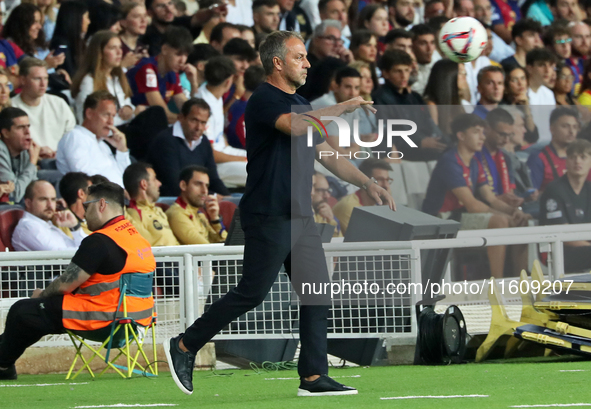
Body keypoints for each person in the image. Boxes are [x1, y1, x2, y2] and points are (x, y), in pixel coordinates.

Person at [162, 30, 394, 397]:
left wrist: (367, 182)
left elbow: (327, 154)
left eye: (305, 57)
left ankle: (314, 377)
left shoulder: (301, 101)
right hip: (269, 213)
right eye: (300, 57)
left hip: (301, 216)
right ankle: (185, 345)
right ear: (277, 63)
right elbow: (296, 126)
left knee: (316, 292)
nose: (307, 63)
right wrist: (340, 107)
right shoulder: (264, 100)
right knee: (251, 293)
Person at [0, 181, 155, 380]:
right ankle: (4, 363)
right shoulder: (137, 239)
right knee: (36, 313)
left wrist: (41, 295)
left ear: (101, 205)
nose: (83, 214)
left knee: (23, 310)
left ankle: (4, 363)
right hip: (138, 321)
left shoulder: (99, 240)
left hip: (105, 318)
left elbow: (66, 283)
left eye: (86, 206)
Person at [422, 113, 530, 278]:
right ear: (461, 135)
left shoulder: (474, 162)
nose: (482, 137)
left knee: (521, 221)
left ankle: (521, 280)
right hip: (442, 220)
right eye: (476, 132)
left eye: (482, 132)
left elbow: (491, 198)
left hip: (459, 216)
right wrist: (505, 216)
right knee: (499, 221)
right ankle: (498, 283)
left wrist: (514, 212)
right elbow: (472, 205)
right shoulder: (450, 161)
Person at [373, 49, 448, 161]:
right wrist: (420, 142)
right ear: (385, 73)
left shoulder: (415, 97)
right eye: (398, 71)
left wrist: (445, 141)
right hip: (403, 155)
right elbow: (387, 134)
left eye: (407, 70)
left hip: (427, 150)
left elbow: (430, 124)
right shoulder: (379, 98)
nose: (403, 76)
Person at [148, 98, 230, 196]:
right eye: (194, 120)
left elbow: (213, 178)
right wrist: (213, 196)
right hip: (171, 202)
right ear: (181, 118)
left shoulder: (204, 142)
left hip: (199, 199)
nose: (198, 128)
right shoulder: (165, 141)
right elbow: (174, 185)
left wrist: (227, 198)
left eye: (203, 123)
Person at [56, 91, 131, 188]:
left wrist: (122, 150)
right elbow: (86, 179)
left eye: (113, 116)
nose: (111, 122)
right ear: (89, 113)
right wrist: (121, 192)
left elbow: (128, 178)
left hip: (120, 198)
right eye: (106, 115)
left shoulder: (103, 145)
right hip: (102, 199)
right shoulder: (75, 136)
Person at [127, 26, 198, 125]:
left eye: (186, 55)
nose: (183, 60)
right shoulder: (147, 69)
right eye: (178, 54)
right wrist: (192, 122)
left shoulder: (173, 73)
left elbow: (188, 109)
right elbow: (163, 114)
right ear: (164, 49)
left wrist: (193, 83)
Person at [195, 55, 247, 187]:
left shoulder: (213, 95)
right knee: (261, 170)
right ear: (228, 81)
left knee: (267, 159)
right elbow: (211, 154)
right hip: (212, 166)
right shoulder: (202, 104)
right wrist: (243, 159)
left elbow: (218, 135)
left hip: (224, 151)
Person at [540, 139, 591, 272]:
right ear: (566, 161)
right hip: (559, 251)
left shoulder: (589, 189)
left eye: (583, 157)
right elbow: (562, 234)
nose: (578, 161)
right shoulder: (554, 189)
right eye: (573, 157)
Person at [11, 58, 75, 159]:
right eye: (37, 79)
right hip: (29, 161)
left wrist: (58, 153)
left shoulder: (58, 103)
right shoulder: (11, 107)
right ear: (23, 80)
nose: (43, 84)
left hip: (61, 158)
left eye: (45, 78)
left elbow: (72, 137)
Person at [72, 31, 136, 126]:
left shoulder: (116, 78)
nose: (119, 52)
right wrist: (128, 117)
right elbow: (86, 120)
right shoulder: (89, 81)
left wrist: (129, 109)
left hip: (122, 129)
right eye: (113, 48)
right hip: (106, 135)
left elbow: (126, 102)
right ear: (99, 53)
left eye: (120, 47)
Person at [12, 180, 86, 251]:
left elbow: (83, 246)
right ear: (28, 203)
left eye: (53, 199)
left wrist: (74, 226)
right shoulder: (28, 227)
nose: (50, 205)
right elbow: (60, 256)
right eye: (43, 199)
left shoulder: (47, 225)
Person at [166, 165, 227, 244]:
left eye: (206, 186)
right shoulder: (176, 214)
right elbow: (204, 248)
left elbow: (224, 241)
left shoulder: (199, 214)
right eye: (198, 184)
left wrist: (215, 219)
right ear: (183, 185)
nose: (204, 191)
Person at [123, 162, 180, 247]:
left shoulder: (159, 210)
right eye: (154, 179)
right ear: (144, 184)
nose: (159, 183)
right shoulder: (133, 214)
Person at [527, 106, 583, 191]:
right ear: (552, 129)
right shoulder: (539, 158)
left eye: (575, 127)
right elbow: (531, 197)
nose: (571, 131)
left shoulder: (583, 158)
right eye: (565, 126)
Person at [333, 159, 393, 234]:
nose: (386, 186)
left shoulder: (377, 206)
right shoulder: (350, 207)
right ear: (366, 181)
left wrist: (387, 210)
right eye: (380, 180)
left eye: (387, 180)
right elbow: (363, 241)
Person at [2, 3, 65, 72]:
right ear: (22, 24)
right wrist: (45, 65)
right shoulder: (10, 48)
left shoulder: (39, 44)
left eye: (39, 22)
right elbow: (19, 75)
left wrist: (58, 73)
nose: (39, 27)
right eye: (34, 22)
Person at [0, 108, 39, 203]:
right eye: (21, 127)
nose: (27, 132)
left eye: (28, 127)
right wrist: (32, 163)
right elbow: (15, 195)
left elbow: (33, 188)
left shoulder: (24, 151)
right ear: (6, 133)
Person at [423, 59, 470, 136]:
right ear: (448, 76)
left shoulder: (460, 103)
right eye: (462, 73)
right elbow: (435, 136)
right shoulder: (430, 105)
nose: (465, 76)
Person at [226, 65, 266, 150]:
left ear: (243, 83)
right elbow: (244, 142)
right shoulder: (250, 110)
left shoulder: (234, 104)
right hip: (241, 154)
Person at [49, 1, 91, 77]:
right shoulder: (61, 44)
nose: (89, 22)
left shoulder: (79, 42)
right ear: (76, 18)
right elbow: (67, 70)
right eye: (87, 17)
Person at [526, 48, 558, 144]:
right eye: (541, 65)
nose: (547, 70)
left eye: (550, 66)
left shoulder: (549, 94)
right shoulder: (522, 93)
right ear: (529, 68)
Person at [410, 24, 440, 96]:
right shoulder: (405, 69)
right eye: (423, 43)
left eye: (432, 43)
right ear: (412, 46)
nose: (429, 49)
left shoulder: (438, 65)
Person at [119, 2, 150, 69]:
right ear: (123, 22)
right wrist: (123, 65)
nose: (143, 20)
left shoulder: (142, 48)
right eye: (137, 16)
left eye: (145, 16)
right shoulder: (116, 45)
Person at [312, 172, 342, 237]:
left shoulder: (327, 214)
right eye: (321, 190)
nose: (327, 196)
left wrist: (331, 220)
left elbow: (339, 242)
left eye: (328, 190)